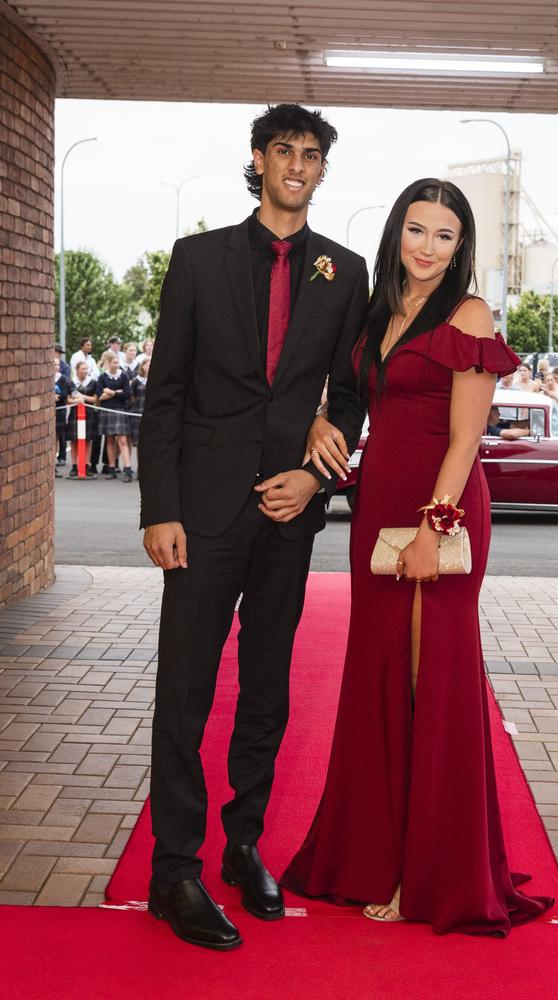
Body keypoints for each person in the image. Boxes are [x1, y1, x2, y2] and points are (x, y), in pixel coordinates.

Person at [282, 178, 554, 936]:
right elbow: (344, 395)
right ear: (396, 233)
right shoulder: (379, 311)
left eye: (444, 235)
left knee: (426, 680)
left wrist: (435, 526)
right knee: (378, 681)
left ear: (461, 245)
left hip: (442, 509)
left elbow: (467, 438)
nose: (427, 246)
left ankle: (425, 873)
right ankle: (372, 855)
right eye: (416, 229)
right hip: (378, 509)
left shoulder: (468, 316)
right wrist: (313, 425)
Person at [138, 103, 369, 952]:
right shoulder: (198, 260)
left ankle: (242, 846)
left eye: (313, 155)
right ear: (258, 159)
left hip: (288, 512)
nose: (299, 166)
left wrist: (314, 477)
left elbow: (348, 397)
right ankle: (174, 868)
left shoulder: (344, 274)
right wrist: (159, 507)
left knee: (267, 688)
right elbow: (165, 393)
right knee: (186, 691)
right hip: (198, 514)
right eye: (285, 151)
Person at [97, 350, 134, 480]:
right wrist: (117, 392)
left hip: (120, 409)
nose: (117, 364)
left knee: (123, 440)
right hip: (107, 410)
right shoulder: (102, 377)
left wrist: (111, 392)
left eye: (118, 362)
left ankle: (127, 469)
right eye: (114, 362)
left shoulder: (123, 376)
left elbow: (127, 394)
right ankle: (111, 468)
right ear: (108, 363)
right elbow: (99, 396)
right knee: (110, 440)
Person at [66, 359, 99, 477]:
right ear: (77, 370)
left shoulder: (93, 382)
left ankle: (86, 465)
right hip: (75, 413)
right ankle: (74, 466)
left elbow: (95, 399)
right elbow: (68, 399)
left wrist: (82, 397)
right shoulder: (71, 383)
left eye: (87, 369)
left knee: (87, 440)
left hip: (89, 413)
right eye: (83, 369)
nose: (86, 371)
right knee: (74, 440)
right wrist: (76, 400)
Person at [128, 357, 149, 457]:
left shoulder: (155, 380)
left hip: (149, 413)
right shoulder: (136, 380)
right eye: (148, 365)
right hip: (136, 412)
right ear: (143, 367)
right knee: (136, 440)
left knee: (147, 440)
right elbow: (131, 395)